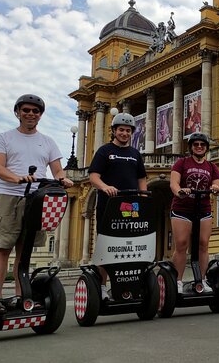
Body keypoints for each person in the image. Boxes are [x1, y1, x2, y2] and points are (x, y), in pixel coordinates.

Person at [0, 94, 73, 299]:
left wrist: (63, 179)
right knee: (3, 248)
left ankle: (21, 295)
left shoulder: (47, 142)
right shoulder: (4, 138)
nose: (30, 114)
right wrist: (17, 178)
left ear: (40, 115)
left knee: (24, 250)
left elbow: (57, 170)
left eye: (35, 111)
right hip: (9, 196)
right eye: (26, 110)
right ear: (18, 112)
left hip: (36, 199)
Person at [88, 112, 148, 299]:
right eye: (121, 129)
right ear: (114, 131)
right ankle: (102, 287)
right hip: (109, 206)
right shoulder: (105, 151)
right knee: (106, 246)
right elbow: (93, 176)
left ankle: (129, 286)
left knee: (130, 245)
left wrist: (143, 196)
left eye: (128, 130)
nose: (124, 133)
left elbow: (141, 178)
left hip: (131, 207)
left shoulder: (135, 154)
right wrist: (106, 187)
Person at [169, 132, 219, 293]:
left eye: (202, 145)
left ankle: (202, 280)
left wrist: (216, 188)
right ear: (191, 147)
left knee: (203, 245)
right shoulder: (181, 163)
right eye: (196, 144)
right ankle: (177, 281)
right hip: (182, 209)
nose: (199, 147)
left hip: (203, 209)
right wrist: (180, 191)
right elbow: (173, 183)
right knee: (182, 245)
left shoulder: (212, 167)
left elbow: (217, 184)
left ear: (206, 148)